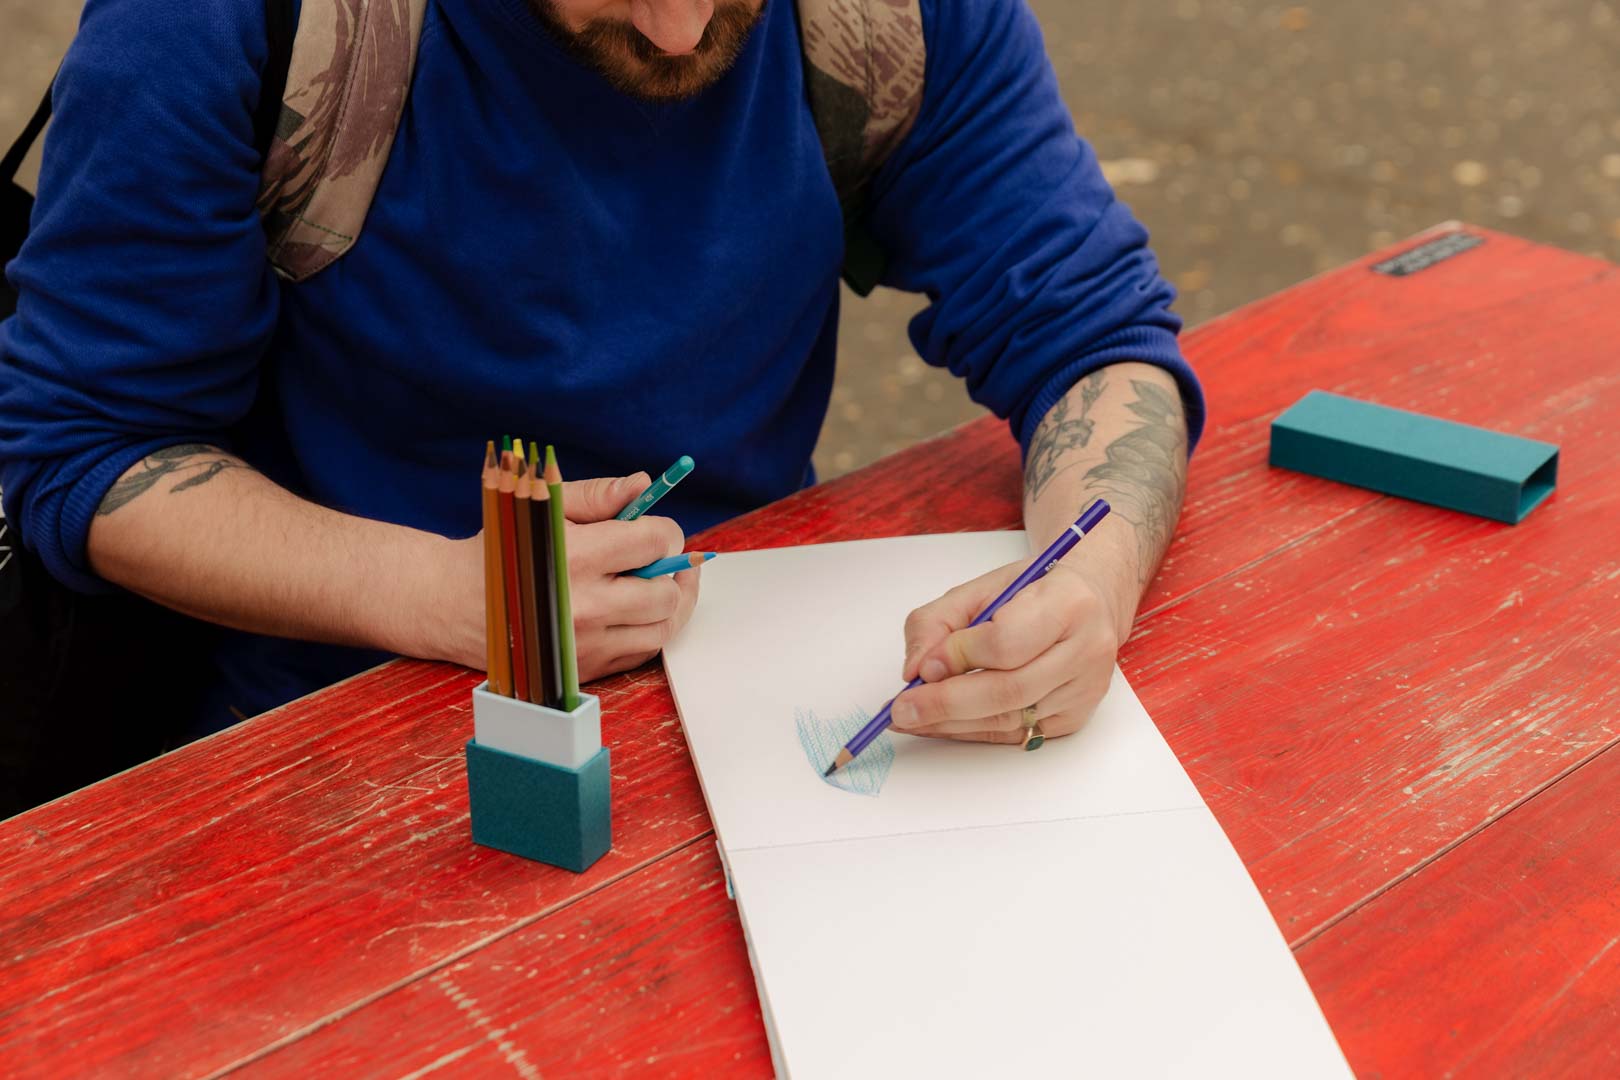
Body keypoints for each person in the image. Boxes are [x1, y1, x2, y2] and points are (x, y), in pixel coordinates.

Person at [0, 0, 1204, 751]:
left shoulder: (885, 16)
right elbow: (84, 451)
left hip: (761, 703)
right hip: (331, 735)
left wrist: (1087, 582)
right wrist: (443, 594)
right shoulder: (222, 26)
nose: (682, 29)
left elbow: (1095, 336)